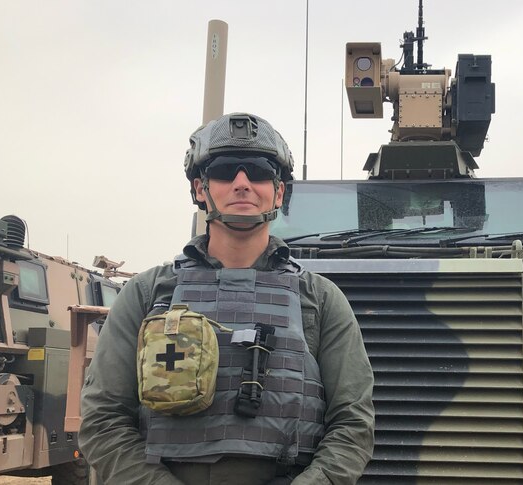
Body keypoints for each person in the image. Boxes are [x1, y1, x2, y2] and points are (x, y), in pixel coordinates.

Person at [80, 113, 375, 485]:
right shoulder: (147, 294)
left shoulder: (319, 299)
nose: (242, 183)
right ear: (200, 188)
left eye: (258, 171)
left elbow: (353, 423)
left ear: (278, 191)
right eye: (224, 170)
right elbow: (102, 419)